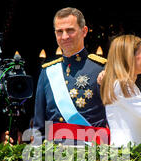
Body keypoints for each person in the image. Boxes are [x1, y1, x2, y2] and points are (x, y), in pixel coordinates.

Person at [32, 7, 109, 145]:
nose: (65, 37)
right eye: (59, 32)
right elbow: (39, 126)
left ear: (84, 31)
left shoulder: (102, 69)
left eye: (70, 30)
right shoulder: (48, 72)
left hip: (91, 155)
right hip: (54, 157)